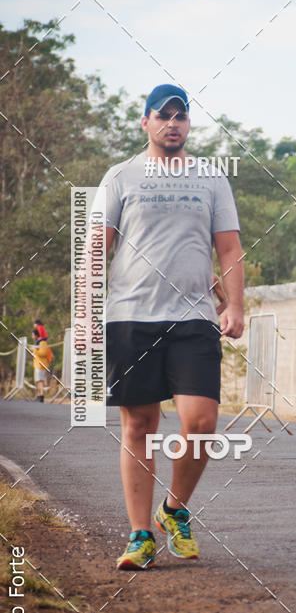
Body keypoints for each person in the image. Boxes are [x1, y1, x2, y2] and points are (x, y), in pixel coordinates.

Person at [97, 83, 244, 571]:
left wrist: (236, 305)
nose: (173, 123)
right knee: (139, 424)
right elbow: (96, 248)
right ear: (145, 122)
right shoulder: (121, 177)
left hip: (194, 317)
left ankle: (174, 509)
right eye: (163, 115)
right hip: (131, 316)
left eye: (181, 116)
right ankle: (140, 535)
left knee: (200, 424)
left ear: (188, 124)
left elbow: (228, 248)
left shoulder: (211, 178)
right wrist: (85, 314)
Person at [33, 336, 53, 402]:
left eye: (33, 334)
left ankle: (41, 395)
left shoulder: (42, 342)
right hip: (39, 364)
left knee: (40, 380)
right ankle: (39, 395)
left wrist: (35, 350)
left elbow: (43, 353)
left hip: (41, 365)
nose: (32, 336)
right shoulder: (39, 342)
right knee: (38, 381)